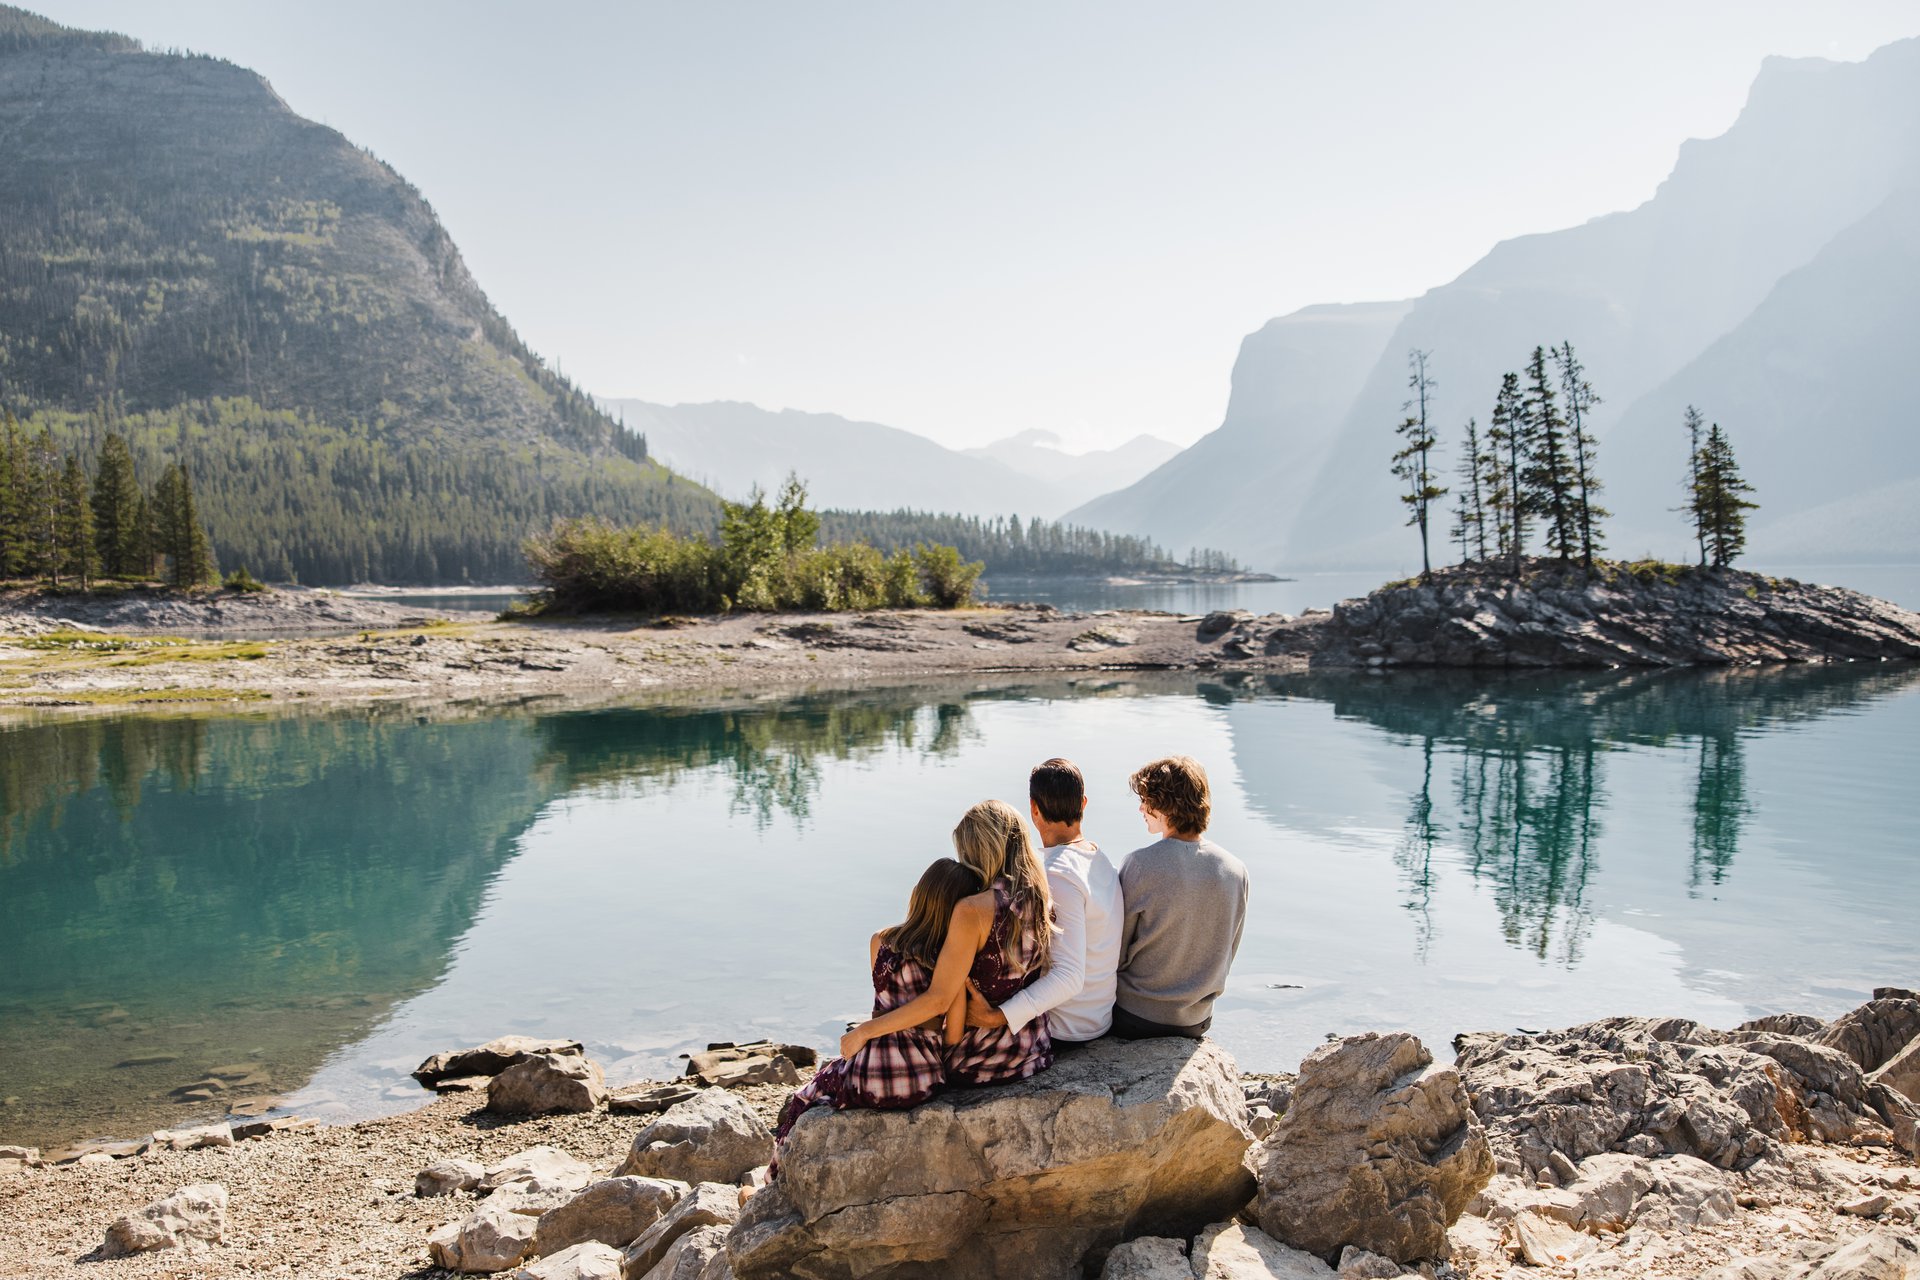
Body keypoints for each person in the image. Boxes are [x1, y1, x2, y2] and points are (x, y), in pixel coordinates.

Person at [840, 798, 1056, 1086]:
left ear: (980, 851)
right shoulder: (1041, 899)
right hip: (1031, 1050)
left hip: (979, 1058)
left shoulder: (972, 910)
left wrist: (864, 1032)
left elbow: (939, 999)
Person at [772, 857, 984, 1148]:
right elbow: (954, 1035)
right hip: (923, 1081)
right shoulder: (952, 963)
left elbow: (883, 1005)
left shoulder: (880, 942)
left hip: (871, 1075)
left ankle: (774, 1172)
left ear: (918, 894)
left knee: (811, 1092)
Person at [965, 758, 1123, 1047]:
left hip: (1063, 1027)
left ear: (1034, 809)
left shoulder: (1056, 875)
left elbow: (1069, 976)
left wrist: (997, 1016)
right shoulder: (1098, 859)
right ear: (1084, 804)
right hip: (1097, 1017)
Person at [1111, 755, 1249, 1040]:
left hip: (1136, 1015)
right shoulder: (1236, 870)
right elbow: (1228, 952)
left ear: (1164, 805)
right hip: (1196, 1021)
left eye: (1145, 800)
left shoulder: (1139, 864)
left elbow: (1116, 952)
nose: (1140, 807)